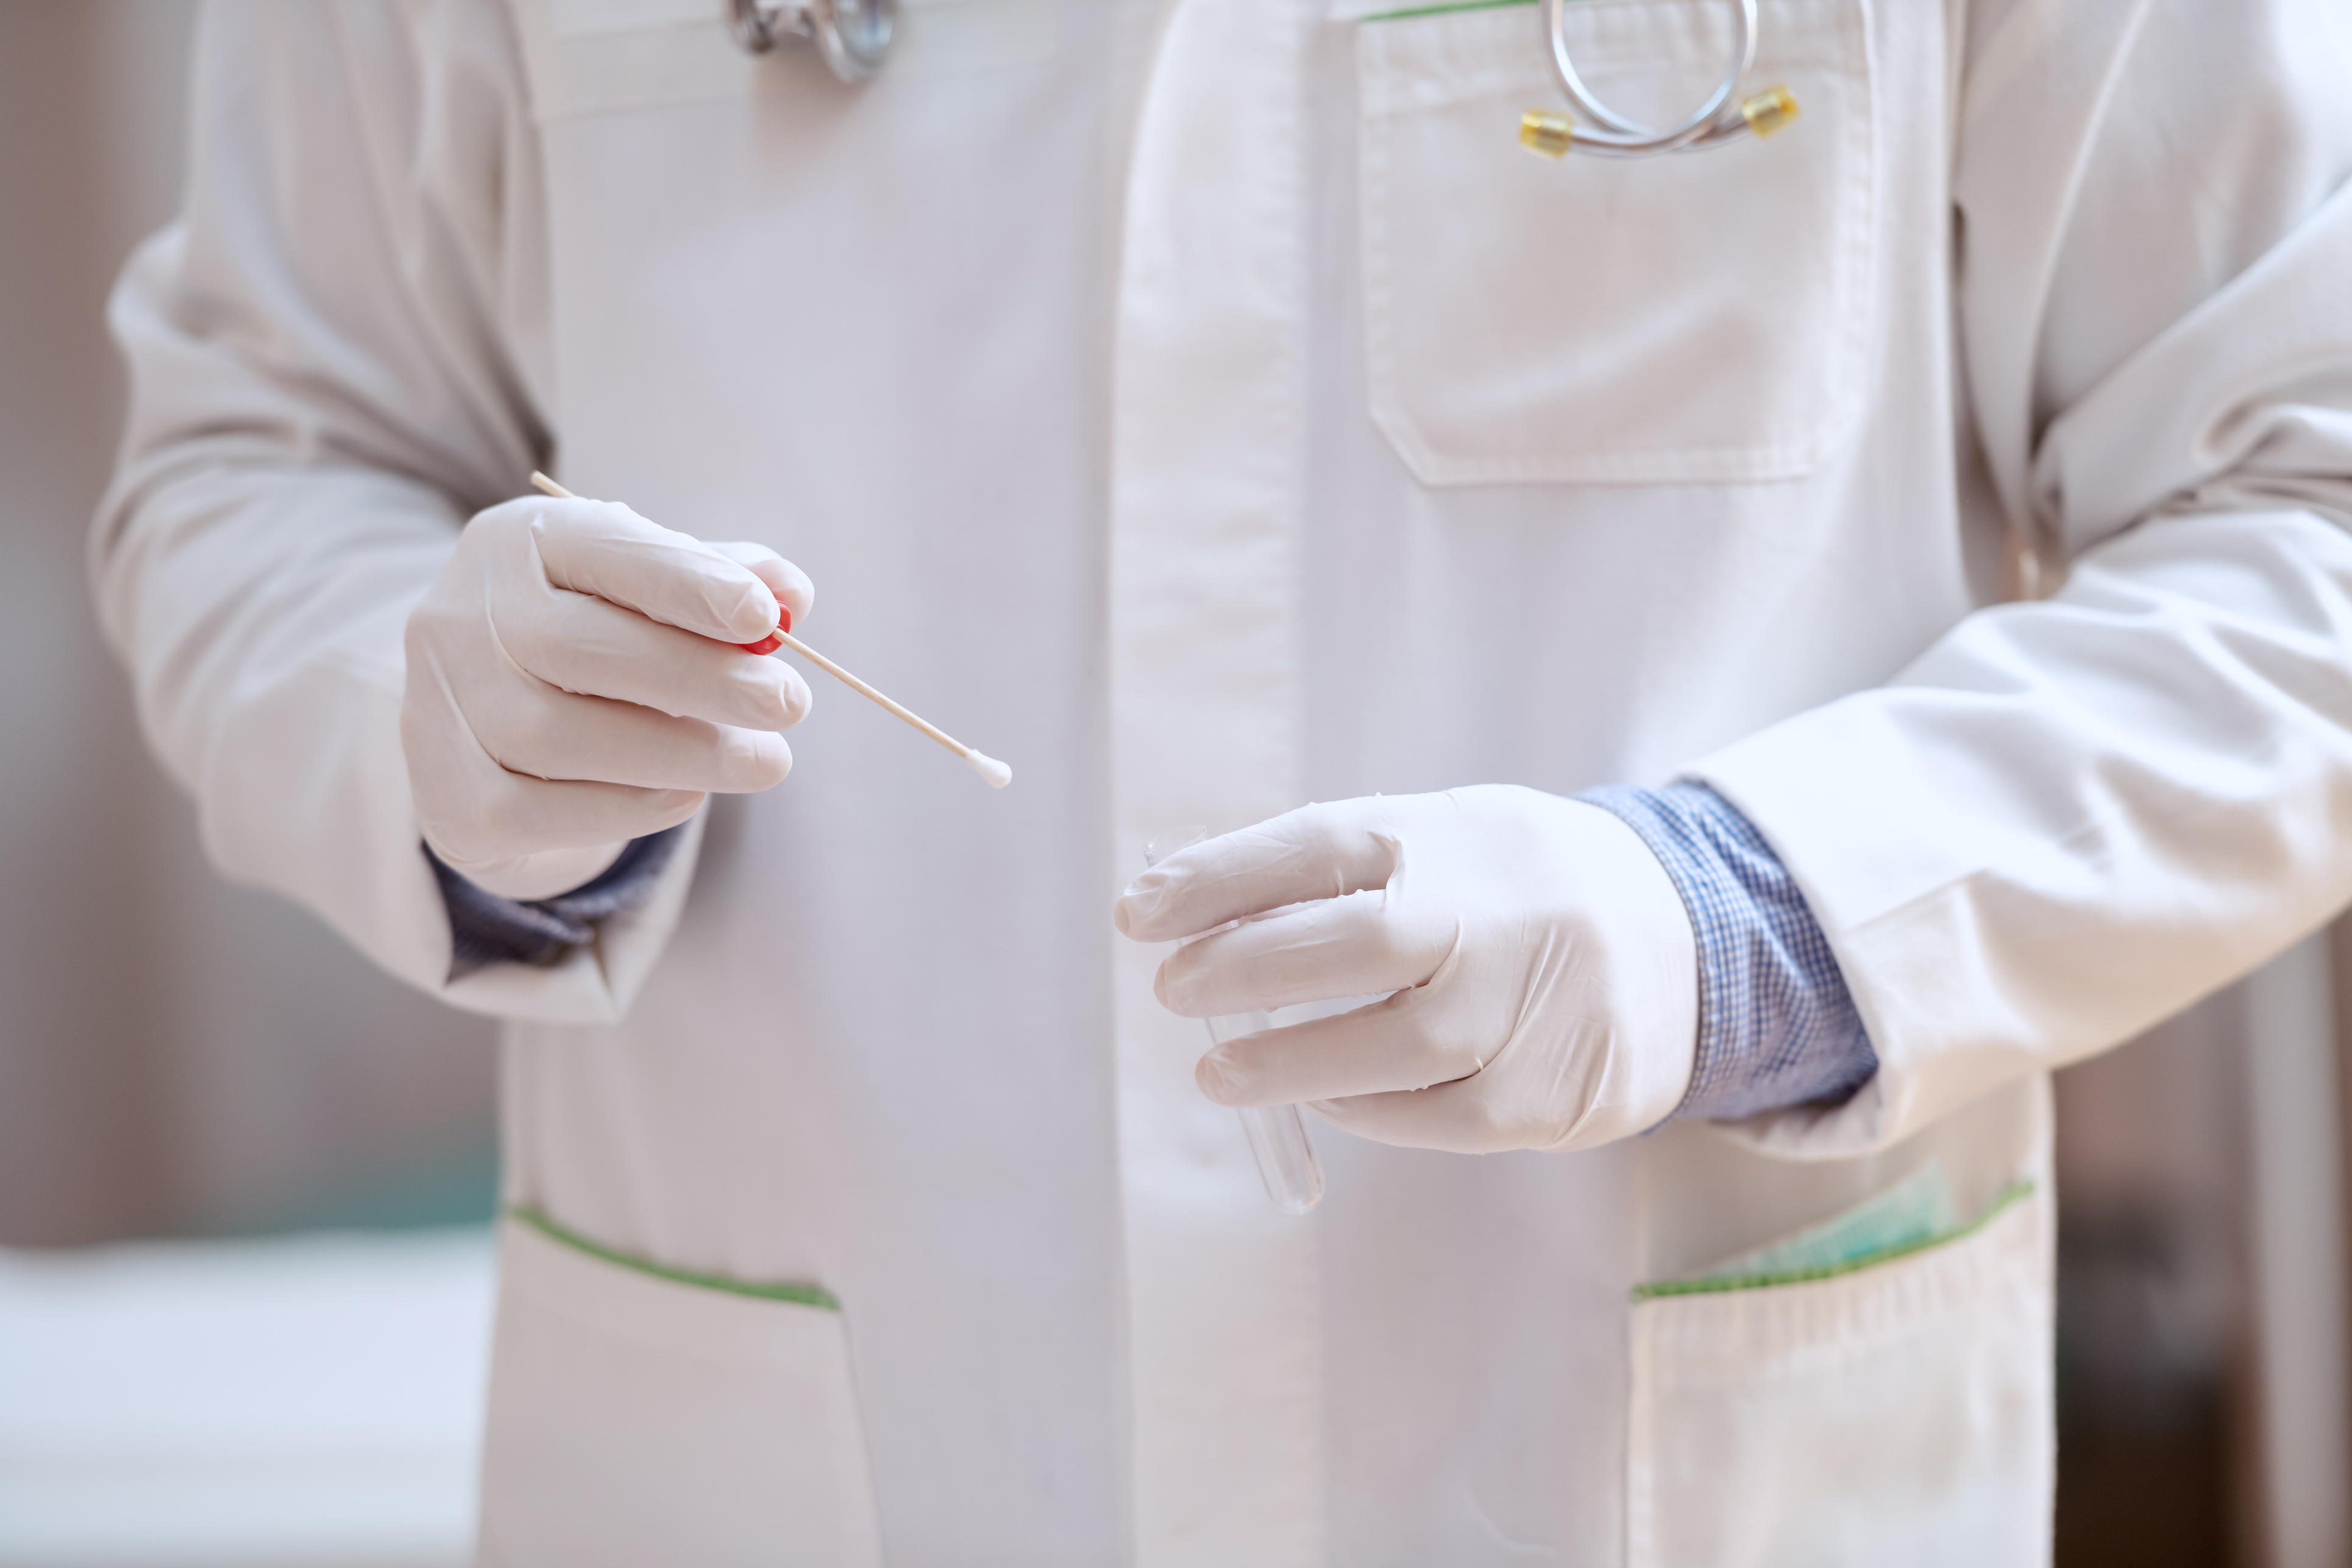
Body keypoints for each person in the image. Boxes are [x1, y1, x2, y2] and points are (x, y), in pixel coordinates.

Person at [91, 0, 2352, 1562]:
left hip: (1651, 1472)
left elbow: (2311, 507)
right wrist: (438, 724)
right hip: (787, 1466)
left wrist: (1742, 922)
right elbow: (265, 458)